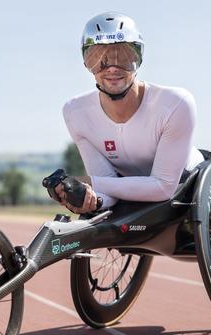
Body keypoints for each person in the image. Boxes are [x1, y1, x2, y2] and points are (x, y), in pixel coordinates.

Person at [51, 12, 201, 214]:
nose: (112, 68)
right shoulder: (74, 113)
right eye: (99, 59)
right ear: (87, 63)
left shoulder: (176, 103)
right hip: (128, 191)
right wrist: (91, 197)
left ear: (138, 58)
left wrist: (90, 182)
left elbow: (164, 187)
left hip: (186, 183)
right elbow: (107, 183)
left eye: (122, 56)